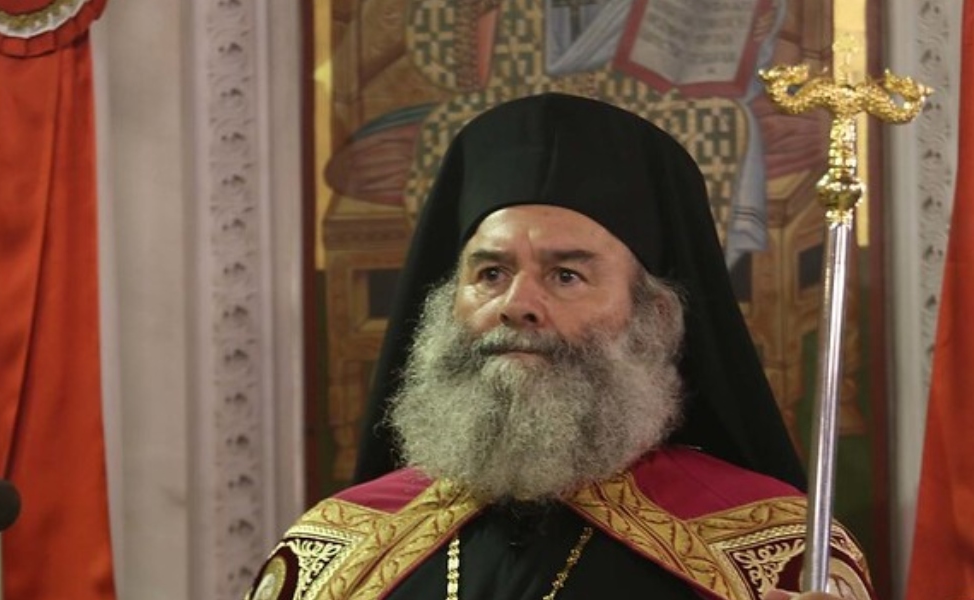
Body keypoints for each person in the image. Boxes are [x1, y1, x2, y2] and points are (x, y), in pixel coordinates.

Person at [247, 93, 873, 600]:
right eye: (490, 273)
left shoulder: (775, 561)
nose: (517, 304)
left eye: (566, 275)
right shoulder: (334, 555)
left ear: (653, 317)